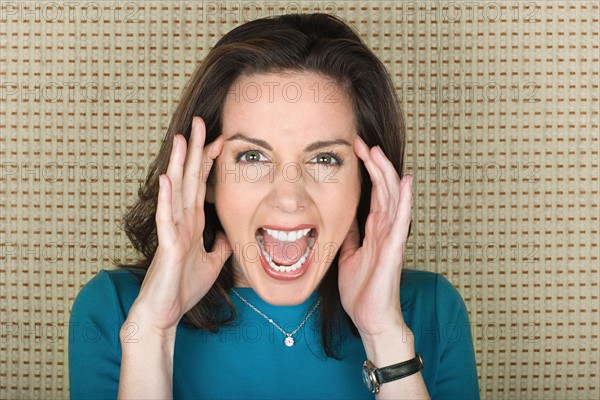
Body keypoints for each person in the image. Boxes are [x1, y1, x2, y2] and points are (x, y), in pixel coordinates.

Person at [69, 13, 479, 399]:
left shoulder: (432, 311)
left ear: (367, 181)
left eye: (324, 159)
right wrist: (153, 333)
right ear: (204, 178)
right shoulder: (116, 310)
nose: (288, 198)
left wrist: (385, 335)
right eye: (252, 157)